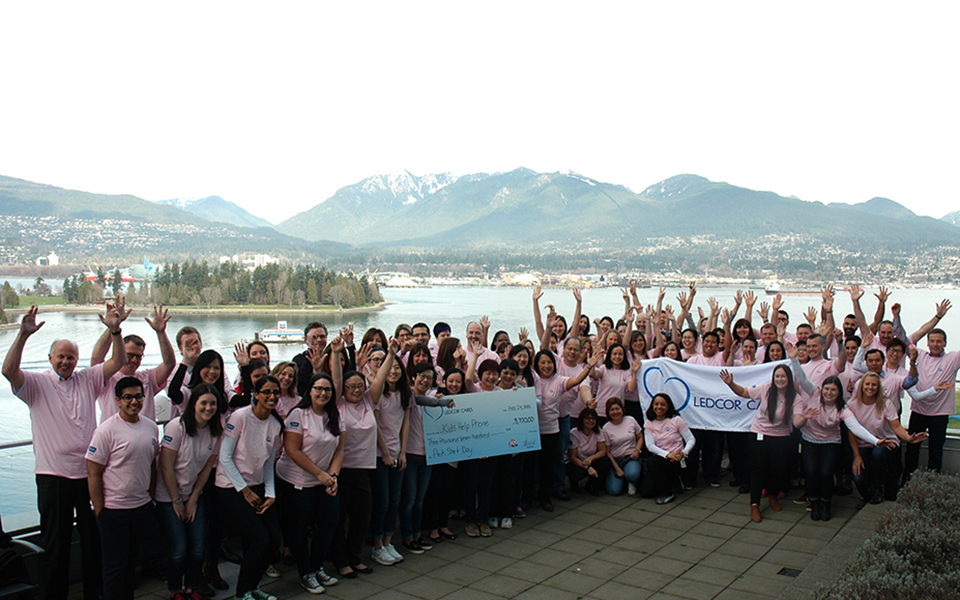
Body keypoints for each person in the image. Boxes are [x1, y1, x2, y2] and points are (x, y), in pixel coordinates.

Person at [2, 304, 127, 600]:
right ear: (51, 359)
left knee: (92, 539)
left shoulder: (88, 379)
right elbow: (8, 370)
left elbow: (118, 361)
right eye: (61, 356)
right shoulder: (36, 383)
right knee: (55, 545)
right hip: (52, 477)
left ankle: (94, 594)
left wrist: (115, 331)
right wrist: (22, 334)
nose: (66, 361)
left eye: (71, 357)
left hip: (88, 475)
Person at [86, 376, 160, 600]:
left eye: (138, 397)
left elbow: (151, 465)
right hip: (113, 510)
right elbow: (93, 473)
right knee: (114, 567)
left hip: (141, 507)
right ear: (118, 400)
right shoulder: (105, 431)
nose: (134, 402)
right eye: (128, 398)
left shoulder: (150, 427)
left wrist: (151, 498)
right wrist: (101, 511)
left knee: (130, 565)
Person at [216, 376, 285, 600]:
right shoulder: (240, 417)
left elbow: (268, 462)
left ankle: (254, 586)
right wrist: (244, 491)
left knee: (274, 539)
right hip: (231, 486)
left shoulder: (275, 425)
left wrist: (270, 494)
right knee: (260, 539)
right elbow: (225, 457)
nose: (272, 396)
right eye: (266, 392)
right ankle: (242, 592)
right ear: (256, 393)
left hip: (257, 486)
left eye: (276, 392)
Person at [276, 368, 343, 594]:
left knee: (329, 522)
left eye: (327, 389)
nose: (323, 393)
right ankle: (305, 573)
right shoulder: (298, 415)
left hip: (323, 479)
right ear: (310, 391)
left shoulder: (334, 415)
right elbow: (293, 450)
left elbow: (339, 450)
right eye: (318, 389)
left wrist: (332, 476)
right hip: (297, 480)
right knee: (298, 527)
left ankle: (317, 567)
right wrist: (320, 474)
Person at [791, 375, 890, 521]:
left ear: (839, 393)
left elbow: (855, 427)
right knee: (811, 472)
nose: (829, 392)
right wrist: (794, 359)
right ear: (822, 389)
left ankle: (826, 503)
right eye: (827, 389)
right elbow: (803, 379)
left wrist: (875, 441)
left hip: (831, 443)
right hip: (810, 441)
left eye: (833, 390)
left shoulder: (843, 408)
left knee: (826, 473)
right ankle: (815, 502)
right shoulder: (814, 394)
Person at [156, 383, 222, 599]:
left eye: (213, 404)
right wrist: (176, 500)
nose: (208, 408)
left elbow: (205, 470)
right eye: (203, 403)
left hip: (193, 494)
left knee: (198, 546)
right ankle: (176, 588)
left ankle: (191, 586)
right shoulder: (177, 427)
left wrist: (193, 499)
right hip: (168, 495)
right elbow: (166, 465)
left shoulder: (215, 432)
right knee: (179, 547)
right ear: (194, 404)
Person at [720, 359, 806, 523]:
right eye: (777, 376)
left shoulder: (795, 397)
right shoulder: (766, 388)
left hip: (782, 437)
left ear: (789, 378)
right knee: (759, 470)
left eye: (783, 376)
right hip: (760, 434)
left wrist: (805, 419)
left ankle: (773, 496)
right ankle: (755, 504)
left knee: (779, 471)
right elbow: (744, 392)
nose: (780, 379)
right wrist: (731, 384)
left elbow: (796, 422)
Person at [331, 354, 380, 579]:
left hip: (364, 469)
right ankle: (341, 561)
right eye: (351, 386)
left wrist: (390, 355)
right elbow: (336, 381)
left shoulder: (368, 401)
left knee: (362, 517)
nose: (357, 390)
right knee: (339, 519)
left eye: (360, 386)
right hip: (341, 469)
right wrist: (337, 352)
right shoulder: (338, 403)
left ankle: (355, 557)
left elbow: (379, 382)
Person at [399, 364, 455, 552]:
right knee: (409, 500)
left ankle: (417, 535)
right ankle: (407, 537)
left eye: (429, 377)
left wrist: (441, 398)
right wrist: (442, 401)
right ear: (413, 377)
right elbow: (422, 401)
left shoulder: (433, 396)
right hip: (411, 455)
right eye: (422, 376)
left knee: (420, 500)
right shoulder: (406, 396)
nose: (425, 380)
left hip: (429, 456)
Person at [847, 372, 926, 505]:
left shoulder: (886, 403)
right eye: (867, 384)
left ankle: (879, 488)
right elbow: (852, 433)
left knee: (878, 455)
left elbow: (896, 426)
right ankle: (868, 496)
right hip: (864, 444)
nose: (870, 387)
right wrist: (857, 456)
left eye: (874, 385)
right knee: (859, 478)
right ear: (861, 386)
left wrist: (908, 438)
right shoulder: (852, 404)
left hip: (887, 441)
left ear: (878, 388)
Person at [91, 303, 176, 423]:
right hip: (113, 439)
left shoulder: (148, 378)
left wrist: (161, 333)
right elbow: (96, 359)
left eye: (139, 357)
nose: (134, 360)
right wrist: (113, 328)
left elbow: (169, 364)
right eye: (129, 355)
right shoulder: (107, 378)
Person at [904, 301, 957, 479]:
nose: (935, 344)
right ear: (927, 342)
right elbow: (907, 339)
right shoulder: (919, 355)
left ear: (945, 343)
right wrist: (937, 318)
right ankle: (907, 482)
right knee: (912, 449)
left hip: (940, 414)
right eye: (932, 341)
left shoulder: (952, 359)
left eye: (939, 342)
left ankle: (932, 484)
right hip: (918, 411)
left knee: (936, 451)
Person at [370, 339, 412, 563]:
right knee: (382, 502)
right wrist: (385, 453)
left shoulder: (405, 394)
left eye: (397, 367)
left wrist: (403, 452)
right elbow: (376, 425)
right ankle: (377, 546)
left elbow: (405, 424)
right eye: (390, 367)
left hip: (397, 454)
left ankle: (388, 542)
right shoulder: (377, 394)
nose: (393, 371)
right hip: (379, 456)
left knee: (394, 501)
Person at [644, 393, 695, 505]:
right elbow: (650, 446)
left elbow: (691, 439)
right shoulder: (649, 423)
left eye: (663, 404)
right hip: (662, 458)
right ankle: (674, 483)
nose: (659, 407)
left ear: (668, 406)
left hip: (677, 459)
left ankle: (666, 494)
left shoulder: (676, 420)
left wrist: (683, 452)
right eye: (656, 404)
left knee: (652, 462)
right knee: (645, 492)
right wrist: (667, 454)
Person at [601, 397, 643, 496]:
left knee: (633, 474)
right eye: (612, 410)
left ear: (622, 409)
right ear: (608, 412)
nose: (615, 412)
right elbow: (607, 452)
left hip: (631, 457)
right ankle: (621, 478)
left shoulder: (630, 420)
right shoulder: (606, 428)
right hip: (616, 460)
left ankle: (631, 480)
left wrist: (637, 450)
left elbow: (640, 437)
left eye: (617, 409)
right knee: (614, 491)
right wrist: (617, 469)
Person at [567, 408, 607, 496]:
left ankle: (591, 485)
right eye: (587, 418)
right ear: (582, 420)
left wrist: (591, 458)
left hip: (590, 459)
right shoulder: (574, 433)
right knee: (575, 471)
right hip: (578, 462)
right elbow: (572, 457)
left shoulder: (598, 431)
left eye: (593, 419)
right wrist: (587, 468)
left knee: (605, 461)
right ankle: (574, 484)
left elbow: (603, 451)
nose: (591, 421)